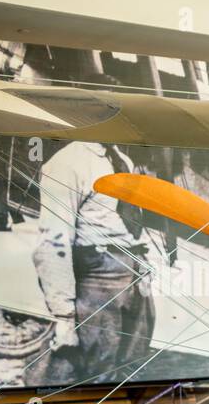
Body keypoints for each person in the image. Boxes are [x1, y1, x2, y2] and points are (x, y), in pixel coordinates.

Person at [28, 139, 154, 387]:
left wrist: (143, 264)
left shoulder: (120, 159)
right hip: (98, 275)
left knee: (131, 364)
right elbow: (54, 241)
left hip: (133, 272)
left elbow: (126, 220)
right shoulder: (68, 162)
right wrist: (63, 315)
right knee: (96, 368)